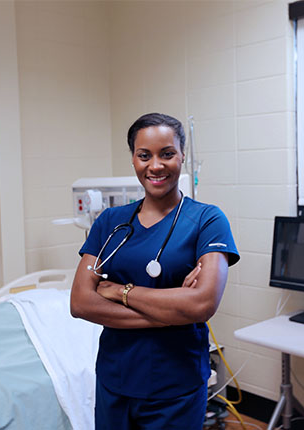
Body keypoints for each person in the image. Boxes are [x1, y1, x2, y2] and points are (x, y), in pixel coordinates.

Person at [70, 112, 240, 430]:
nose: (156, 166)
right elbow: (80, 303)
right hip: (115, 379)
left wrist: (121, 292)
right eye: (144, 155)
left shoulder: (207, 220)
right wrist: (174, 312)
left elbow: (203, 304)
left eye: (167, 154)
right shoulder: (110, 222)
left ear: (182, 156)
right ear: (133, 159)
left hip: (176, 384)